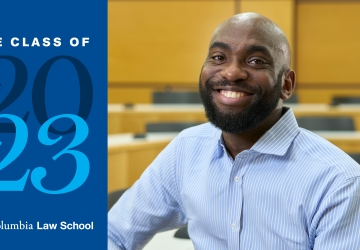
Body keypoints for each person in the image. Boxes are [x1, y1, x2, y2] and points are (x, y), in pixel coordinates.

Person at [108, 12, 360, 249]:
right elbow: (114, 234)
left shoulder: (339, 181)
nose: (231, 72)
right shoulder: (186, 149)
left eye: (256, 61)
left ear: (286, 84)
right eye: (219, 57)